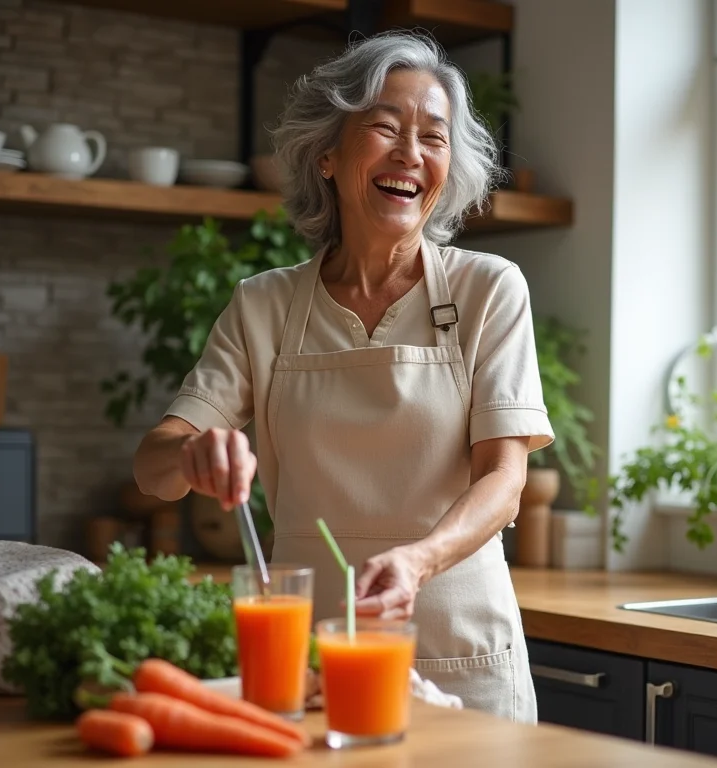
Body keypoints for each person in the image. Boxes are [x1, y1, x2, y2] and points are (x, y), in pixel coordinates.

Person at [133, 31, 553, 722]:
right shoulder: (263, 305)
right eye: (384, 127)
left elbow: (504, 483)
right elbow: (154, 470)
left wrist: (418, 561)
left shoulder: (490, 290)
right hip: (309, 669)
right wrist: (191, 454)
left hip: (462, 656)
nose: (410, 154)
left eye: (433, 137)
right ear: (327, 155)